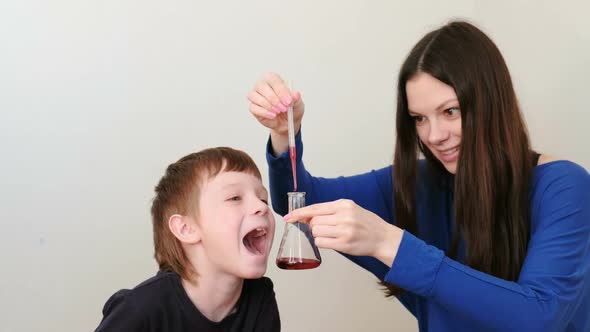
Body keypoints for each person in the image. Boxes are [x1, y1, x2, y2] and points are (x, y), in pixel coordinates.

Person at [247, 20, 590, 331]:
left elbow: (538, 318)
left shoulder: (563, 187)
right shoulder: (418, 182)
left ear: (492, 102)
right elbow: (299, 203)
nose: (434, 135)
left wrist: (388, 243)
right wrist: (284, 133)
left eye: (450, 111)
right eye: (419, 118)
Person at [95, 147, 280, 331]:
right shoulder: (140, 309)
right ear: (186, 228)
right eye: (234, 198)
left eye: (263, 199)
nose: (261, 207)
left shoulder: (259, 298)